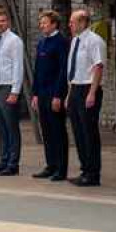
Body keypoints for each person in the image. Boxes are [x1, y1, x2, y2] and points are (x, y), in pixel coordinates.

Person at [66, 10, 106, 187]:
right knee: (78, 131)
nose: (70, 25)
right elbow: (74, 69)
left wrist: (92, 92)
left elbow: (98, 67)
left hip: (88, 87)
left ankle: (93, 173)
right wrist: (69, 94)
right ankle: (84, 169)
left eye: (72, 21)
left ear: (83, 22)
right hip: (75, 87)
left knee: (89, 132)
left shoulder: (94, 40)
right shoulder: (75, 40)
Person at [32, 10, 69, 181]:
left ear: (54, 24)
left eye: (45, 22)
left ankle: (61, 169)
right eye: (41, 23)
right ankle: (51, 164)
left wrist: (58, 95)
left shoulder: (60, 42)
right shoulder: (42, 43)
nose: (42, 25)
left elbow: (63, 71)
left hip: (54, 94)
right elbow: (37, 71)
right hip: (42, 94)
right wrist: (35, 94)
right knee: (46, 131)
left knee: (57, 132)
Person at [0, 8, 24, 176]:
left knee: (11, 127)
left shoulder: (15, 41)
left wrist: (15, 91)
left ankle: (13, 163)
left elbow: (18, 66)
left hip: (8, 87)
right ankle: (3, 160)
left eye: (3, 21)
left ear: (8, 22)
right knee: (0, 128)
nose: (0, 24)